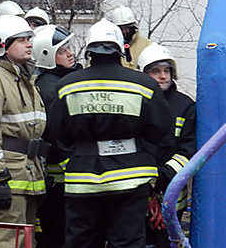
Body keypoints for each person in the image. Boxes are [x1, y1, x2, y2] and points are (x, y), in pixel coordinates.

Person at [47, 18, 174, 248]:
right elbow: (161, 130)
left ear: (89, 51)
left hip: (83, 179)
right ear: (120, 49)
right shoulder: (143, 85)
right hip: (131, 178)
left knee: (81, 243)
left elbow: (59, 132)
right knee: (127, 243)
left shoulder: (67, 86)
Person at [0, 15, 50, 248]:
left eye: (29, 39)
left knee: (25, 242)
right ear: (2, 44)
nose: (29, 44)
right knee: (4, 242)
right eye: (22, 39)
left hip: (26, 173)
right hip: (5, 177)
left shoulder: (21, 77)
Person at [137, 43, 196, 248]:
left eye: (167, 70)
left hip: (170, 198)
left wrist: (161, 178)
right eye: (156, 71)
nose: (163, 76)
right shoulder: (134, 103)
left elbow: (188, 150)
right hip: (136, 195)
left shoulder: (185, 106)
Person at [31, 24, 81, 248]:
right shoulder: (51, 88)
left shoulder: (59, 81)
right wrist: (75, 165)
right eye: (62, 50)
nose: (70, 52)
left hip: (60, 177)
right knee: (58, 234)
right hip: (60, 178)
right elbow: (57, 133)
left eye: (68, 47)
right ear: (47, 56)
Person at [109, 5, 151, 70]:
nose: (124, 32)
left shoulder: (146, 44)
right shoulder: (107, 46)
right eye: (120, 29)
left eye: (127, 28)